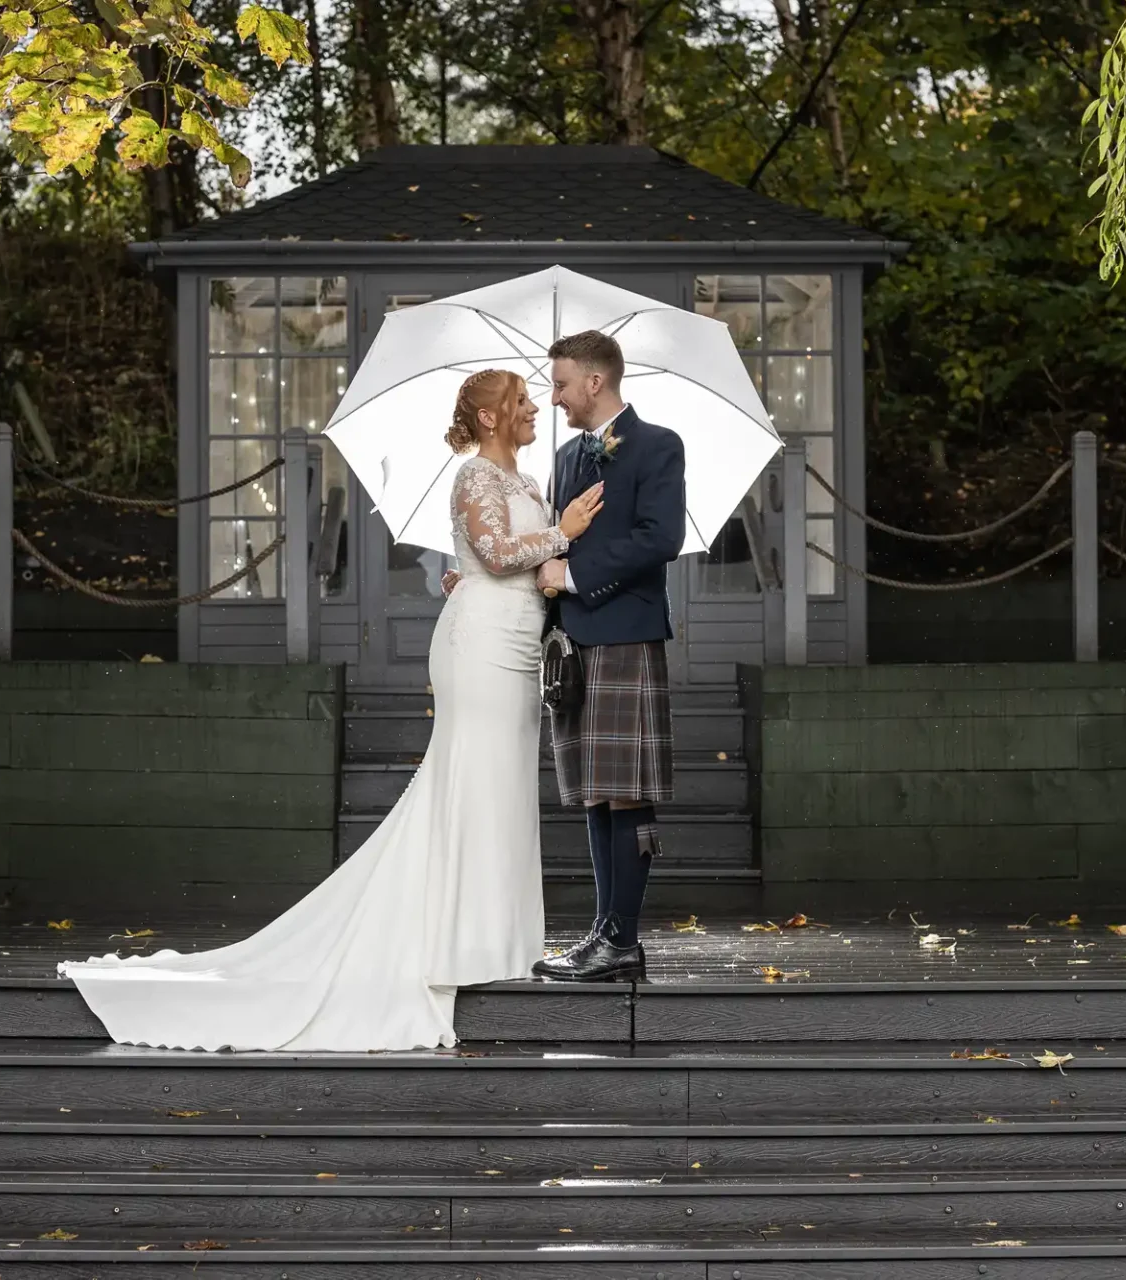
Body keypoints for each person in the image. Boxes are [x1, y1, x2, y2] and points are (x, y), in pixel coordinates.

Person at [57, 369, 605, 1051]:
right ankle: (457, 943)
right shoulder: (472, 478)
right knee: (474, 783)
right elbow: (495, 553)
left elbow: (497, 562)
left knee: (503, 791)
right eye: (521, 402)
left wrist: (540, 547)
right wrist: (565, 533)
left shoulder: (529, 484)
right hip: (480, 648)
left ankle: (498, 940)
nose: (532, 411)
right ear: (489, 418)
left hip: (521, 643)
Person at [531, 330, 686, 983]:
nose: (555, 396)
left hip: (625, 634)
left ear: (596, 381)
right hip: (573, 648)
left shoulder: (658, 445)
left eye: (562, 383)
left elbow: (662, 538)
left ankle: (623, 939)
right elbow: (552, 539)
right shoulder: (566, 455)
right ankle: (604, 934)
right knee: (596, 794)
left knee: (628, 795)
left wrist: (571, 576)